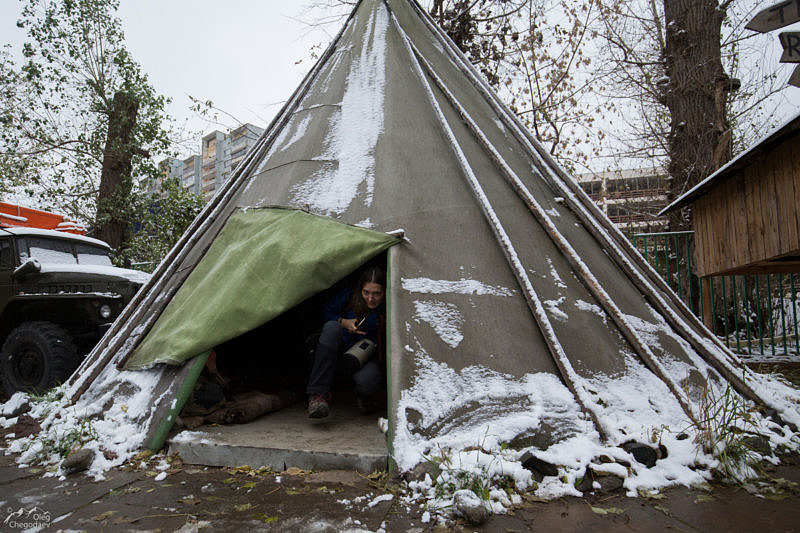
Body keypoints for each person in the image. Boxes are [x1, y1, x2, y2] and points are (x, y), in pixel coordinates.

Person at [306, 266, 386, 419]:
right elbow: (325, 312)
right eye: (366, 292)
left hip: (365, 358)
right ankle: (317, 395)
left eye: (377, 294)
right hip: (337, 351)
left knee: (368, 380)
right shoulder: (350, 296)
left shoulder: (390, 307)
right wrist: (344, 322)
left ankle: (364, 396)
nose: (370, 298)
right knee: (331, 327)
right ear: (360, 289)